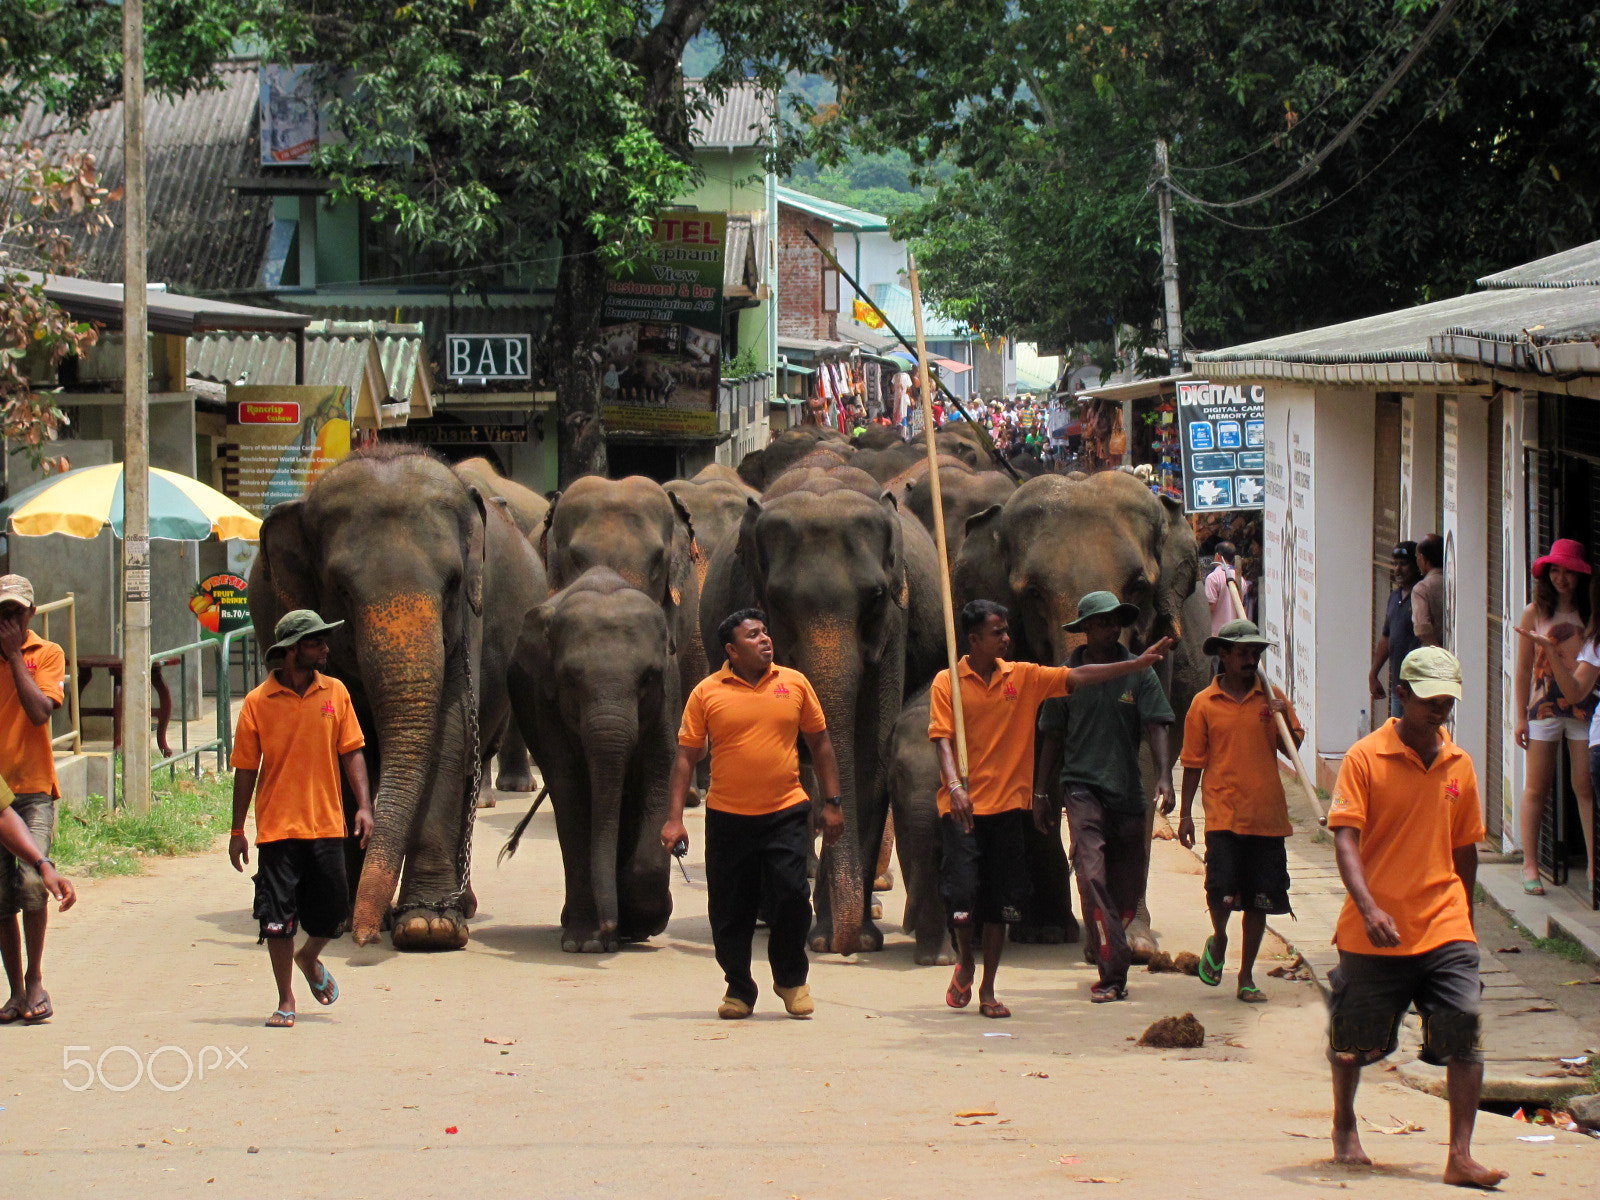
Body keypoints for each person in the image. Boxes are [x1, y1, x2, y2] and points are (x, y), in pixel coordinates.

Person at [931, 600, 1169, 1018]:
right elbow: (943, 738)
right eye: (998, 632)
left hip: (1007, 809)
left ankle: (987, 989)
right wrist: (955, 786)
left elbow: (1077, 676)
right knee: (964, 901)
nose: (1007, 638)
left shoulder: (1023, 676)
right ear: (973, 640)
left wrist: (1134, 667)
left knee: (1000, 905)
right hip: (963, 810)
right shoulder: (946, 683)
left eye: (1007, 630)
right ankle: (965, 961)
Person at [1324, 647, 1506, 1189]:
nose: (1440, 710)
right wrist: (1369, 907)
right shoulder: (1364, 759)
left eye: (1448, 700)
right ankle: (1344, 1125)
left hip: (1444, 925)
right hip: (1374, 930)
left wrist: (1465, 920)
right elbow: (1345, 840)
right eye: (1431, 700)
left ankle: (1460, 1155)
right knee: (1354, 1042)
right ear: (1401, 694)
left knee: (1462, 1029)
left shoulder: (1460, 765)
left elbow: (1465, 847)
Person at [661, 609, 842, 1020]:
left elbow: (822, 745)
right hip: (728, 817)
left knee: (794, 897)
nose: (765, 640)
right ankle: (739, 988)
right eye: (753, 635)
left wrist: (832, 804)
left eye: (765, 632)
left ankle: (791, 980)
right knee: (730, 909)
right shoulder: (706, 692)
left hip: (787, 811)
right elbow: (686, 759)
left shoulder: (794, 684)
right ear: (731, 649)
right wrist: (675, 818)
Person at [229, 609, 373, 1029]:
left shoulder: (336, 693)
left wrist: (364, 806)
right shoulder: (257, 703)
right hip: (277, 829)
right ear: (293, 651)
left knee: (333, 912)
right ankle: (286, 998)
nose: (326, 649)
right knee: (277, 919)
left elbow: (352, 752)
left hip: (327, 824)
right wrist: (238, 830)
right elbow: (245, 770)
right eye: (316, 642)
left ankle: (309, 956)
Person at [1035, 592, 1175, 1003]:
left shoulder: (1139, 673)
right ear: (1085, 630)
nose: (1111, 628)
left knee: (1126, 890)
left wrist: (1165, 775)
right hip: (1080, 788)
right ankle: (1113, 974)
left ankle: (1106, 935)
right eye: (1101, 622)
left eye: (1116, 620)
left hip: (1127, 792)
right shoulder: (1064, 676)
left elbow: (1156, 725)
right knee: (1092, 874)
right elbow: (1052, 736)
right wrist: (1041, 791)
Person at [1178, 618, 1302, 1003]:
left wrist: (1283, 717)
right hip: (1224, 816)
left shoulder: (1271, 698)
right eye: (1244, 652)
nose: (1251, 659)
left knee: (1258, 902)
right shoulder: (1203, 704)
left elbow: (1293, 747)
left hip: (1267, 818)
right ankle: (1219, 937)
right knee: (1222, 894)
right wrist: (1184, 814)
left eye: (1256, 653)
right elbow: (1193, 763)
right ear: (1224, 655)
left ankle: (1246, 976)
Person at [0, 574, 67, 1024]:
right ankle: (17, 990)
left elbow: (40, 712)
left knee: (31, 884)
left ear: (31, 614)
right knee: (2, 897)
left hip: (33, 787)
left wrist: (12, 657)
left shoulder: (47, 653)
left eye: (14, 614)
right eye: (1, 613)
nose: (7, 622)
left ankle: (37, 976)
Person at [1510, 539, 1594, 894]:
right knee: (1536, 788)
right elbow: (1524, 668)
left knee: (1584, 786)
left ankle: (1593, 867)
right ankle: (1530, 864)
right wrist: (1519, 717)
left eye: (1569, 572)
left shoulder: (1591, 613)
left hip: (1584, 705)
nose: (1562, 578)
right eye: (1555, 571)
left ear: (1580, 576)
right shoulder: (1534, 613)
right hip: (1543, 707)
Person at [1368, 542, 1421, 721]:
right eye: (1395, 563)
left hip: (1418, 688)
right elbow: (1386, 636)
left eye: (1404, 564)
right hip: (1398, 688)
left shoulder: (1421, 596)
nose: (1398, 569)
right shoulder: (1394, 596)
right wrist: (1374, 673)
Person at [1411, 534, 1447, 648]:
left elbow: (1422, 629)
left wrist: (1440, 652)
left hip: (1434, 656)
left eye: (1417, 557)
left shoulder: (1422, 588)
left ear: (1423, 558)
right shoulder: (1454, 583)